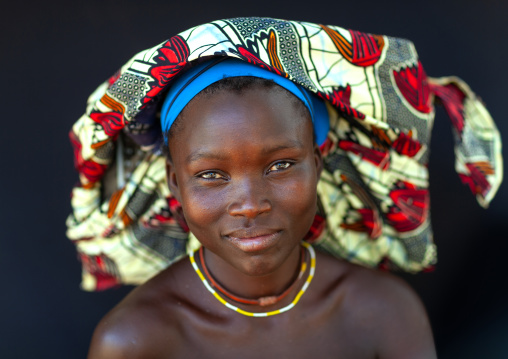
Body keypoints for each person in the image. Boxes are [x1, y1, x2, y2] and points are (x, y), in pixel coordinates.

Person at [67, 17, 501, 358]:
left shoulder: (383, 312)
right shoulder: (134, 341)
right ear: (174, 183)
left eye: (280, 165)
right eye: (212, 175)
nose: (251, 204)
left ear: (317, 163)